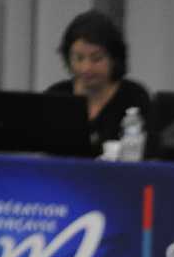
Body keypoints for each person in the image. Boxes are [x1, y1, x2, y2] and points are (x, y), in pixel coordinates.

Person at [47, 10, 150, 156]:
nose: (86, 68)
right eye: (79, 58)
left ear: (114, 58)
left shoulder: (134, 97)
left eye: (97, 59)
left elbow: (149, 154)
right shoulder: (57, 95)